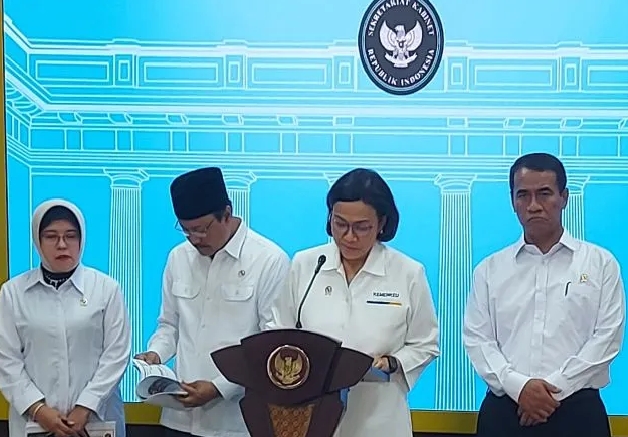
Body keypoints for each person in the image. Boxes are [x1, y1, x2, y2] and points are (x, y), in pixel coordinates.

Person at [463, 152, 626, 437]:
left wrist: (552, 391)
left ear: (564, 197)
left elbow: (607, 338)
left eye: (544, 193)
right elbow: (478, 339)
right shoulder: (489, 270)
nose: (534, 205)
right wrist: (521, 388)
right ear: (512, 201)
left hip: (578, 412)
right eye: (523, 195)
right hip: (505, 412)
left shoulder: (600, 263)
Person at [269, 168, 440, 437]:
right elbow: (277, 330)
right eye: (340, 224)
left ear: (382, 223)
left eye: (362, 227)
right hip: (309, 415)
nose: (349, 237)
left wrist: (393, 362)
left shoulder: (408, 273)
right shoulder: (306, 264)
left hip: (379, 418)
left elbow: (426, 343)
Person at [135, 167, 290, 437]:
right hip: (178, 419)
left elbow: (271, 345)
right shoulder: (178, 258)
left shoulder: (269, 260)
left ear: (226, 214)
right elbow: (169, 325)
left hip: (236, 423)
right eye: (186, 231)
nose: (195, 240)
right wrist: (156, 353)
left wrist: (219, 387)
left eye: (201, 230)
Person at [0, 199, 131, 437]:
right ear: (37, 240)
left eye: (70, 236)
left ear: (81, 239)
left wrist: (85, 406)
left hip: (96, 421)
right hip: (36, 423)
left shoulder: (106, 289)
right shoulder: (12, 293)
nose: (62, 245)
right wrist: (39, 410)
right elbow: (6, 360)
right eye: (51, 236)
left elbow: (116, 355)